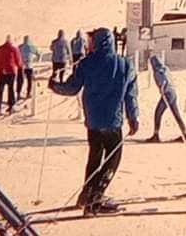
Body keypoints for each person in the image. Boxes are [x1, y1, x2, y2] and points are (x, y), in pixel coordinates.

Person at [48, 28, 139, 214]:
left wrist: (55, 86)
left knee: (94, 158)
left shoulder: (87, 63)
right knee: (112, 159)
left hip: (94, 121)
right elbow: (131, 94)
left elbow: (72, 88)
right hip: (113, 121)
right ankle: (96, 197)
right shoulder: (124, 64)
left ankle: (87, 194)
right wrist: (133, 117)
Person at [145, 56, 186, 143]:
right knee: (176, 114)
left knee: (158, 113)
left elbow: (164, 81)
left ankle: (156, 135)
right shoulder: (166, 69)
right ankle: (185, 134)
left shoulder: (158, 71)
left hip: (167, 93)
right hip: (172, 92)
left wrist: (163, 89)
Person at [0, 35, 22, 116]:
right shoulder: (14, 49)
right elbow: (18, 60)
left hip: (0, 72)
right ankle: (11, 106)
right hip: (10, 72)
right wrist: (20, 66)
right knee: (11, 89)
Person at [17, 35, 40, 99]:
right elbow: (38, 53)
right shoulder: (31, 47)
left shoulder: (20, 47)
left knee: (20, 81)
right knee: (29, 81)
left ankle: (18, 94)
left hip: (21, 66)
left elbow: (16, 54)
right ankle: (28, 93)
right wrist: (37, 59)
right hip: (29, 66)